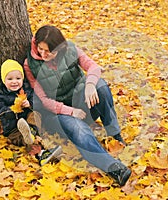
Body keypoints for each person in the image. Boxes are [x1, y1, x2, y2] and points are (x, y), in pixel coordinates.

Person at [23, 25, 131, 186]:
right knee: (79, 130)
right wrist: (71, 111)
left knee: (99, 85)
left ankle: (115, 135)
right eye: (40, 49)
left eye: (49, 51)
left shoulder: (71, 49)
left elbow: (93, 67)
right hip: (59, 115)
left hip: (81, 104)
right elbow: (44, 100)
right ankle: (114, 169)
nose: (43, 54)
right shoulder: (30, 65)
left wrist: (89, 86)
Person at [0, 59, 62, 166]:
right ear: (4, 80)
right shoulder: (1, 95)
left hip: (29, 121)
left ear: (23, 78)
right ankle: (41, 154)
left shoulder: (26, 89)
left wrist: (29, 103)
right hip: (13, 128)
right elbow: (0, 110)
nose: (14, 81)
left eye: (18, 78)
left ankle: (33, 134)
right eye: (10, 79)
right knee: (25, 139)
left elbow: (37, 102)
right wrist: (12, 111)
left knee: (34, 115)